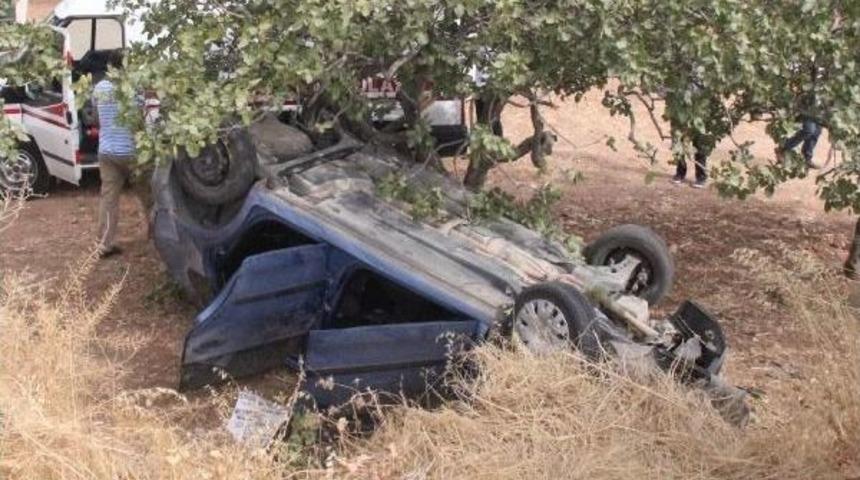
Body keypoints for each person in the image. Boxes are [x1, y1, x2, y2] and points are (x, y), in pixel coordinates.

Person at [93, 51, 136, 258]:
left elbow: (95, 115)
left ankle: (104, 245)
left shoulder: (100, 87)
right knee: (150, 196)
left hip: (107, 151)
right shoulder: (134, 89)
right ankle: (156, 238)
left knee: (108, 199)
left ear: (109, 66)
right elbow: (141, 121)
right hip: (131, 152)